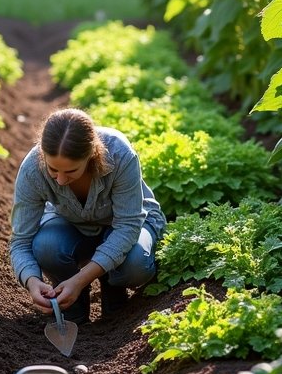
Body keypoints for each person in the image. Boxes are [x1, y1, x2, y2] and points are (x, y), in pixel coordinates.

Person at [10, 107, 166, 324]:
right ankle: (72, 306)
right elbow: (21, 240)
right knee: (46, 246)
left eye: (71, 171)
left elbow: (128, 225)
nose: (61, 180)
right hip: (74, 225)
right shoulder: (32, 170)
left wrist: (82, 279)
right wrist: (32, 281)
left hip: (125, 225)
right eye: (53, 169)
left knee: (135, 265)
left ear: (92, 155)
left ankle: (113, 288)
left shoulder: (119, 154)